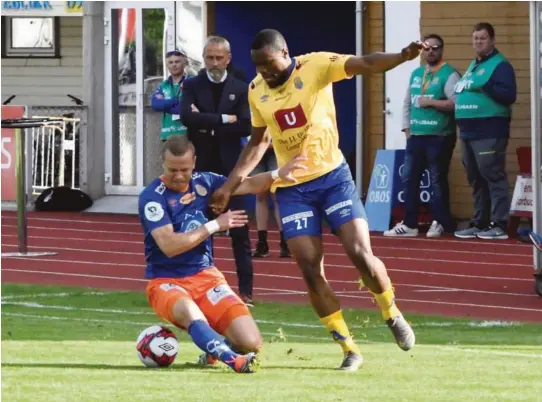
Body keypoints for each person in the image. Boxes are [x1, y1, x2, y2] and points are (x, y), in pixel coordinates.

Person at [210, 29, 423, 371]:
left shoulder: (317, 65)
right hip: (293, 188)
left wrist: (401, 56)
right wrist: (230, 185)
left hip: (333, 178)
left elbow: (366, 62)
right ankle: (348, 347)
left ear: (285, 52)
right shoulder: (256, 91)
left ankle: (391, 311)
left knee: (360, 256)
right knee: (310, 269)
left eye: (269, 64)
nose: (264, 72)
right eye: (258, 67)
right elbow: (257, 142)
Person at [138, 135, 305, 373]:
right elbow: (169, 246)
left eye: (184, 169)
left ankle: (214, 350)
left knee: (251, 343)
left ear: (194, 162)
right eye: (172, 169)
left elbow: (248, 184)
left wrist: (277, 174)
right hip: (166, 280)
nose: (178, 175)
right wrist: (215, 225)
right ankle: (232, 360)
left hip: (206, 277)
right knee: (189, 311)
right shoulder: (152, 196)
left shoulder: (205, 182)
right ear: (162, 164)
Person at [180, 36, 255, 306]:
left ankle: (246, 291)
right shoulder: (191, 85)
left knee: (240, 233)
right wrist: (224, 119)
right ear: (204, 57)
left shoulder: (241, 87)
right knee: (197, 229)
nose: (214, 63)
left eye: (219, 58)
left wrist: (207, 123)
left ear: (228, 58)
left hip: (231, 170)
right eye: (209, 57)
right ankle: (197, 287)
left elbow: (246, 126)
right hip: (200, 167)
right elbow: (187, 117)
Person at [385, 33, 460, 238]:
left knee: (437, 180)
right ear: (422, 50)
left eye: (435, 48)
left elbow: (456, 104)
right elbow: (408, 102)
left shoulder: (449, 74)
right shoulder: (417, 73)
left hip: (440, 136)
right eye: (427, 48)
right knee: (409, 179)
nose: (431, 51)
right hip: (416, 136)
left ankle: (440, 222)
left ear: (442, 50)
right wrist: (407, 130)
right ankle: (410, 224)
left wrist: (431, 103)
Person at [453, 22, 517, 240]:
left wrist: (483, 85)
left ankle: (499, 224)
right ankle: (480, 222)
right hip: (468, 131)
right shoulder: (474, 65)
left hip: (489, 130)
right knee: (475, 178)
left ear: (492, 40)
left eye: (482, 38)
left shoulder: (501, 66)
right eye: (475, 38)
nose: (478, 42)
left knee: (493, 175)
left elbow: (509, 95)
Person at [250, 134, 291, 258]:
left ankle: (286, 243)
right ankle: (262, 243)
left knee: (276, 195)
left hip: (277, 150)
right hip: (257, 151)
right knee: (260, 195)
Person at [151, 50, 188, 141]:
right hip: (167, 135)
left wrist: (165, 104)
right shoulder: (163, 85)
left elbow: (185, 109)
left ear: (184, 63)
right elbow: (155, 105)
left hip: (186, 134)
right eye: (170, 62)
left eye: (177, 62)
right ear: (167, 65)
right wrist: (175, 101)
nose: (174, 65)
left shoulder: (190, 83)